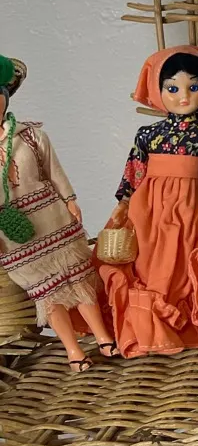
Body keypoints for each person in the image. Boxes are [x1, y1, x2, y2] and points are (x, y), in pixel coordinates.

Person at [101, 45, 198, 357]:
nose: (183, 96)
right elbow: (134, 169)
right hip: (149, 206)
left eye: (193, 87)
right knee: (148, 259)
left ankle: (176, 321)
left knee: (180, 260)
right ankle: (147, 323)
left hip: (189, 206)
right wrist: (124, 202)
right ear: (159, 91)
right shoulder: (148, 134)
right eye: (172, 88)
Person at [0, 55, 115, 372]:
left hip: (52, 218)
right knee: (46, 292)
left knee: (78, 278)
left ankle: (103, 336)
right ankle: (73, 350)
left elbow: (54, 171)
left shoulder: (30, 136)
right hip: (15, 235)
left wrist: (70, 199)